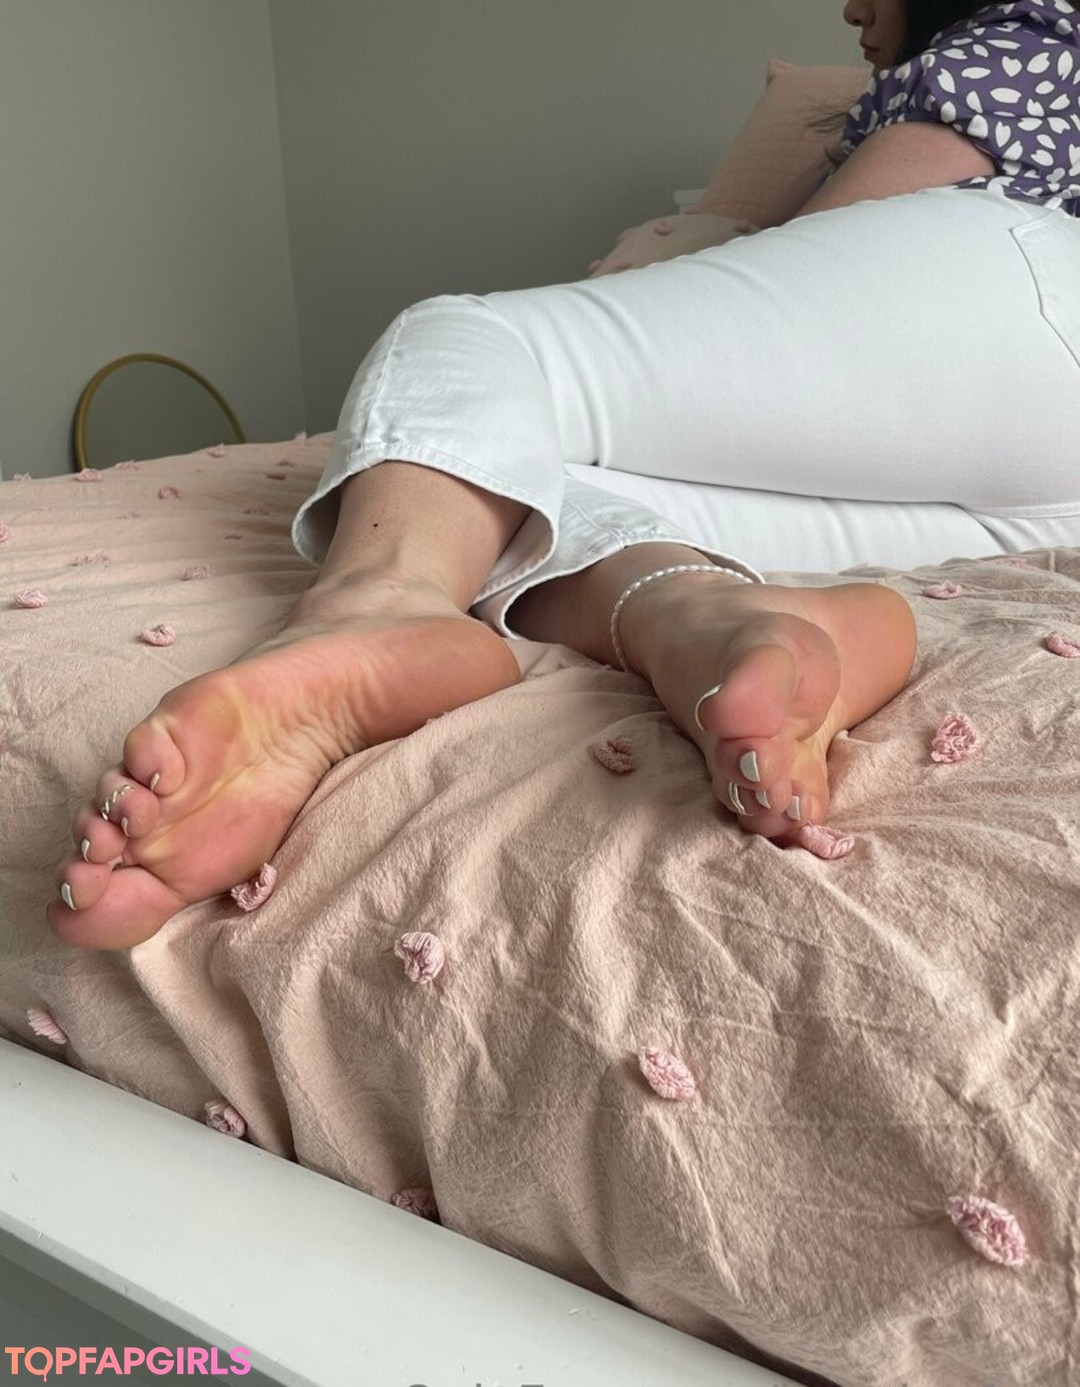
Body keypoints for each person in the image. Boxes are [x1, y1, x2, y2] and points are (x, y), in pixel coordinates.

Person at [49, 0, 1080, 951]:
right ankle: (702, 617)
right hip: (1042, 495)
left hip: (1028, 304)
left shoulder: (1025, 37)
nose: (854, 7)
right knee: (495, 487)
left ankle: (376, 600)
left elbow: (823, 265)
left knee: (468, 344)